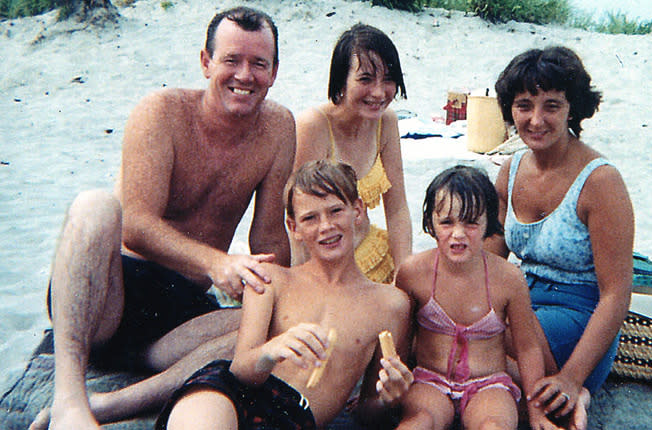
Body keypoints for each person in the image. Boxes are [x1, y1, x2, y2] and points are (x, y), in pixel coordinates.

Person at [30, 7, 295, 430]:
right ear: (206, 62)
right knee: (94, 207)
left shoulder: (279, 128)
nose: (245, 75)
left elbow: (269, 238)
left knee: (275, 323)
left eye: (258, 64)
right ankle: (69, 401)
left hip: (179, 318)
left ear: (274, 71)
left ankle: (109, 405)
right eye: (231, 60)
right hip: (111, 295)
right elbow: (135, 224)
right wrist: (217, 263)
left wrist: (291, 289)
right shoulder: (162, 112)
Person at [155, 159, 413, 430]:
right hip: (228, 393)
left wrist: (389, 399)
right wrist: (271, 350)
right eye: (310, 218)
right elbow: (241, 369)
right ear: (293, 227)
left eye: (335, 211)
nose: (326, 226)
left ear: (357, 210)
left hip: (293, 418)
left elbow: (367, 414)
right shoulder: (273, 279)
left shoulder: (390, 305)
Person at [485, 46, 634, 430]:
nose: (536, 120)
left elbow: (616, 293)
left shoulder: (600, 182)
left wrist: (571, 377)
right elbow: (490, 259)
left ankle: (570, 391)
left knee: (475, 349)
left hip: (579, 317)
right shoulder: (511, 170)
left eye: (551, 105)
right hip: (523, 301)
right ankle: (556, 400)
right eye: (523, 105)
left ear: (573, 108)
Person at [395, 165, 557, 430]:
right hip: (429, 381)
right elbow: (399, 343)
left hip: (490, 385)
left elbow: (527, 348)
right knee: (420, 422)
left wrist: (536, 410)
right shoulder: (413, 273)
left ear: (488, 224)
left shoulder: (508, 279)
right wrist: (379, 395)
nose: (458, 234)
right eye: (447, 222)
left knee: (493, 425)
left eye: (471, 222)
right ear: (430, 223)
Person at [293, 23, 412, 283]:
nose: (379, 93)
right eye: (365, 79)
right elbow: (296, 221)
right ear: (341, 80)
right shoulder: (314, 125)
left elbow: (398, 208)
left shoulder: (386, 122)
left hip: (374, 256)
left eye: (388, 79)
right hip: (326, 269)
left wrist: (403, 278)